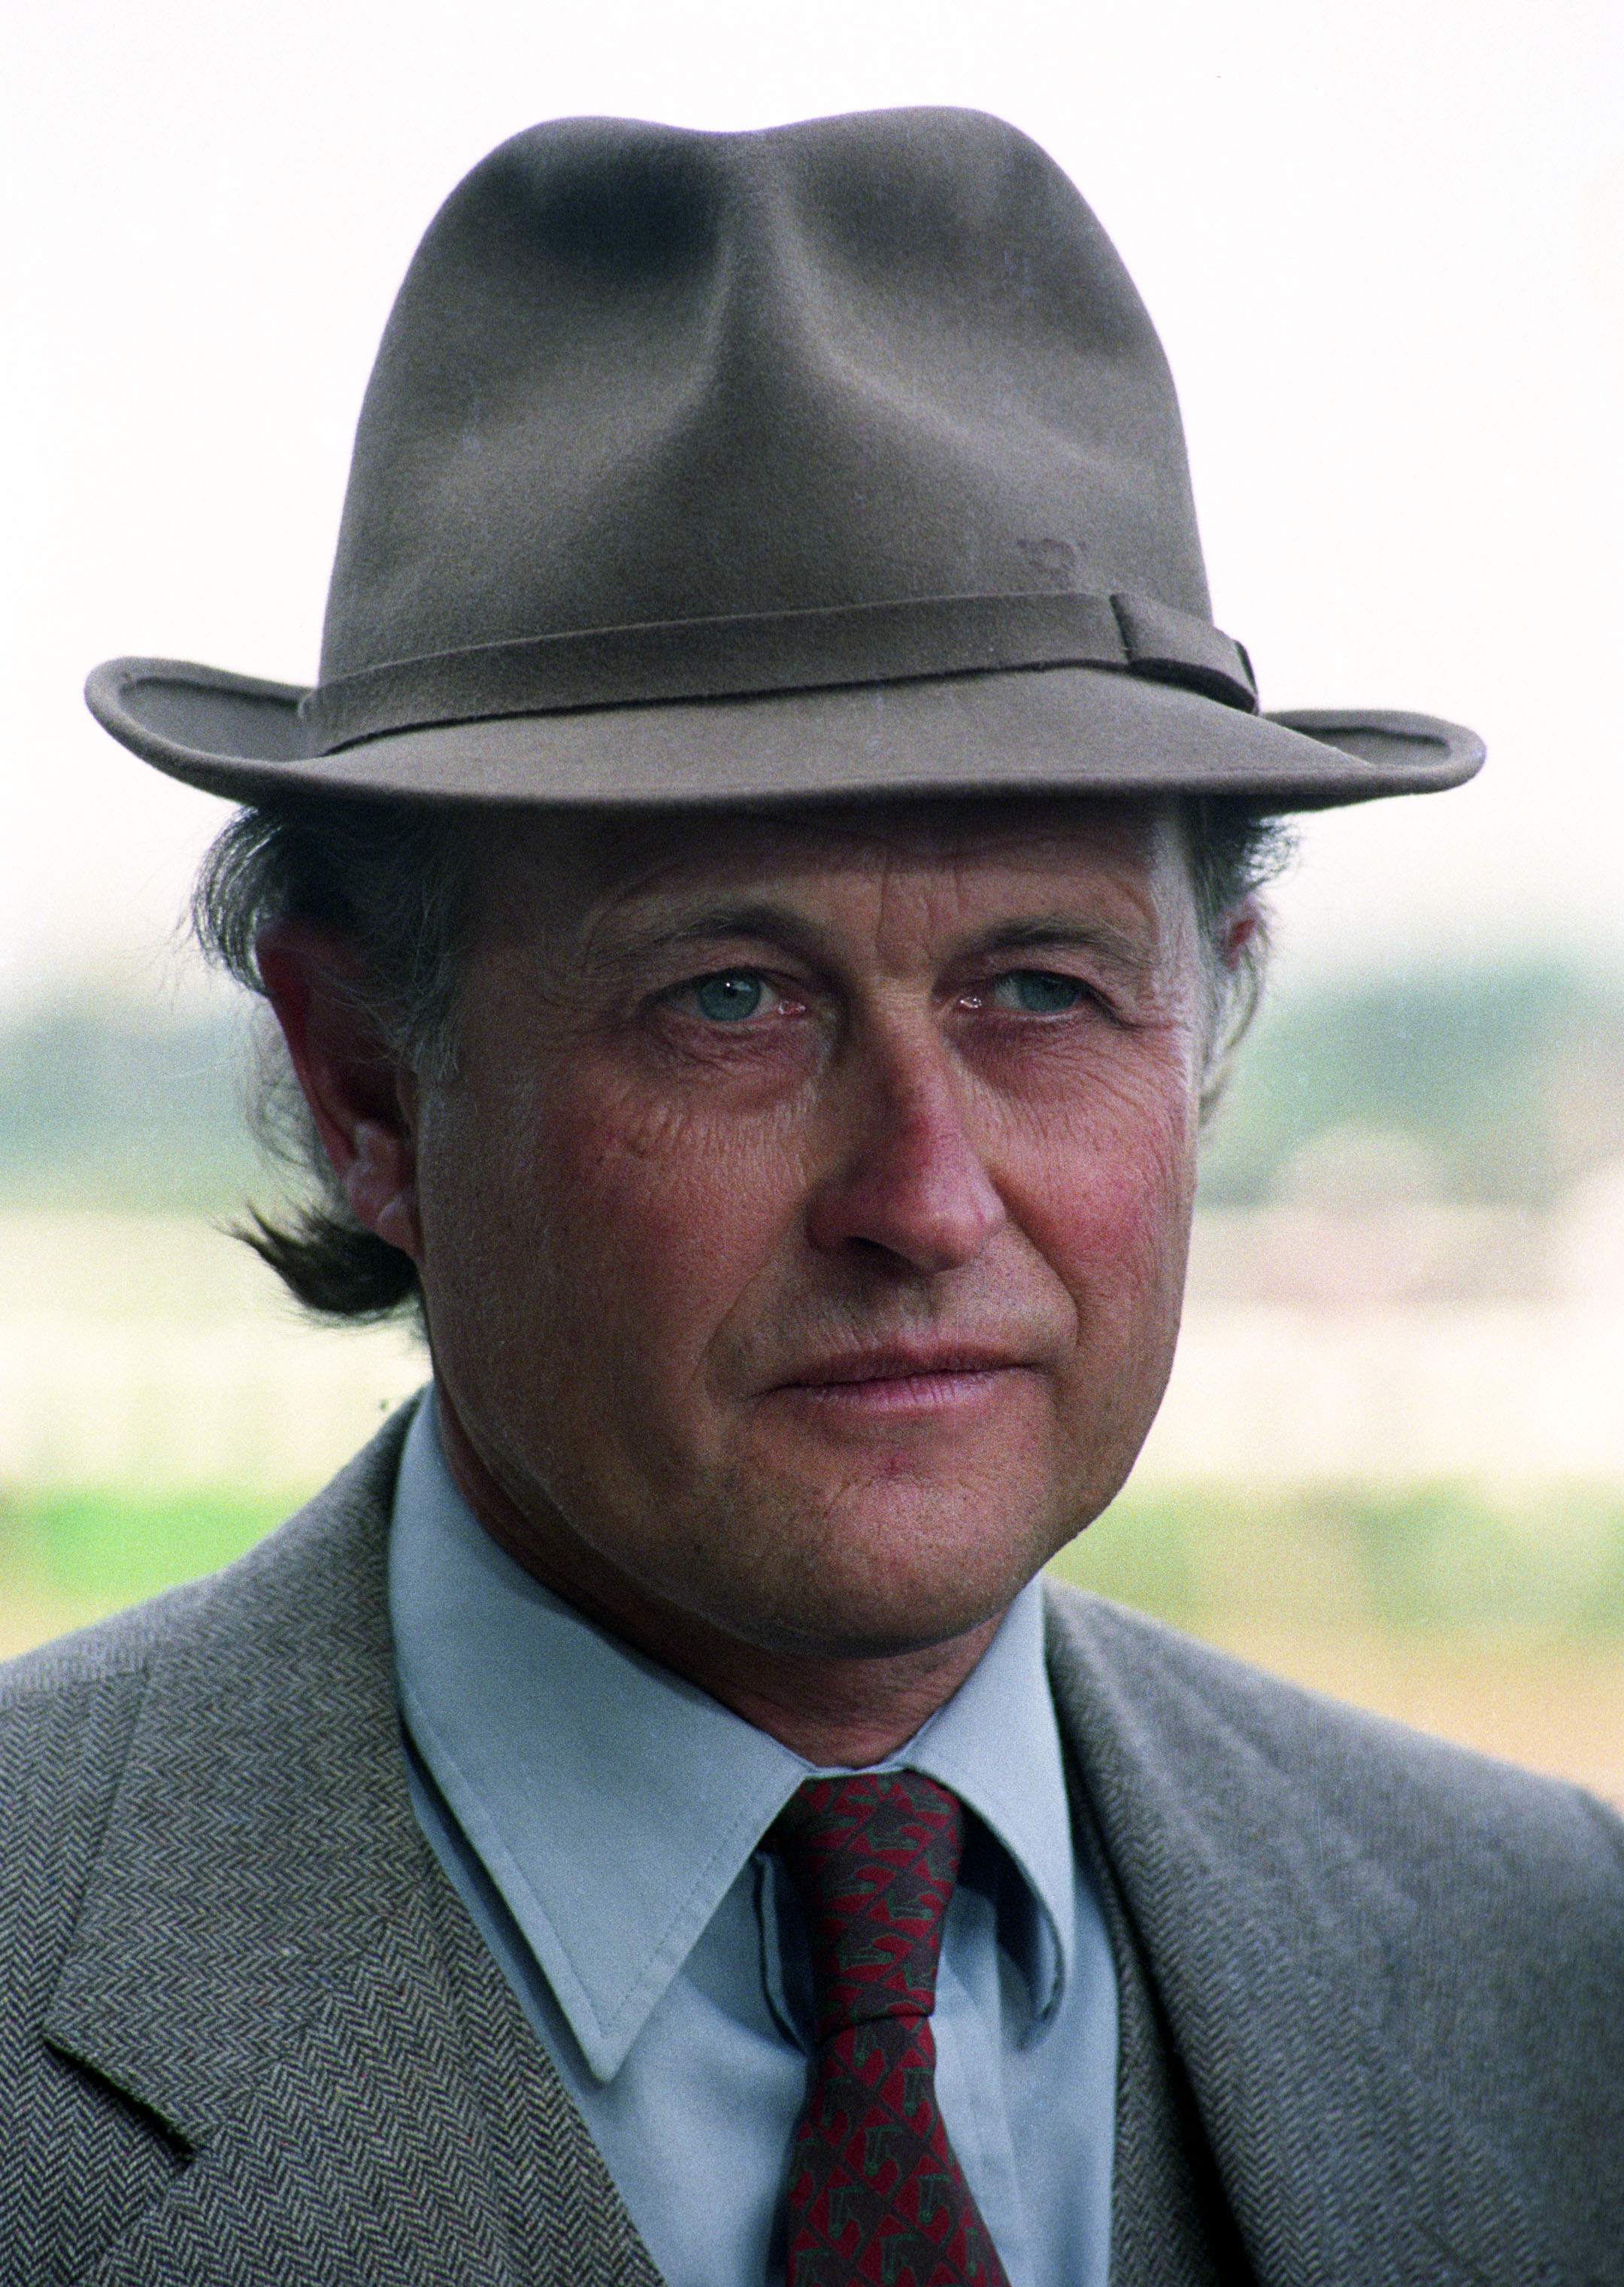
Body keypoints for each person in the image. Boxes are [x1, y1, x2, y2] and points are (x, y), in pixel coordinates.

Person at [4, 108, 1619, 2286]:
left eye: (1042, 988)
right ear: (367, 1079)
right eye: (734, 996)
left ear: (1210, 1032)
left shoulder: (1546, 1969)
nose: (924, 1194)